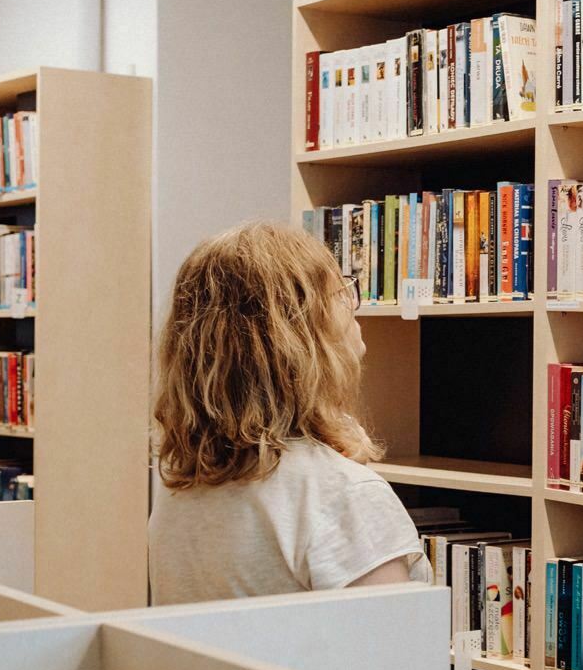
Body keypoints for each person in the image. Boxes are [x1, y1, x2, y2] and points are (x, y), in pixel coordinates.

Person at [148, 222, 427, 604]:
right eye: (339, 292)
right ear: (299, 332)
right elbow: (397, 656)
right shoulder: (343, 496)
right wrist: (342, 481)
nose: (353, 304)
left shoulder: (180, 484)